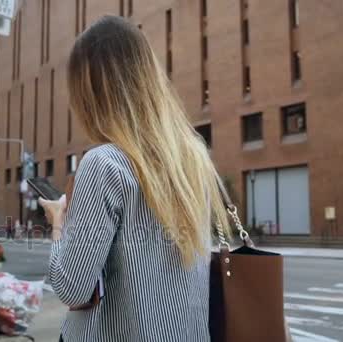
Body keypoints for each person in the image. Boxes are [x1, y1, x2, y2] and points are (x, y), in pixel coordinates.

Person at [39, 16, 232, 342]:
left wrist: (59, 222)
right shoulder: (193, 159)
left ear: (89, 92)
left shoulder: (103, 163)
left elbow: (72, 288)